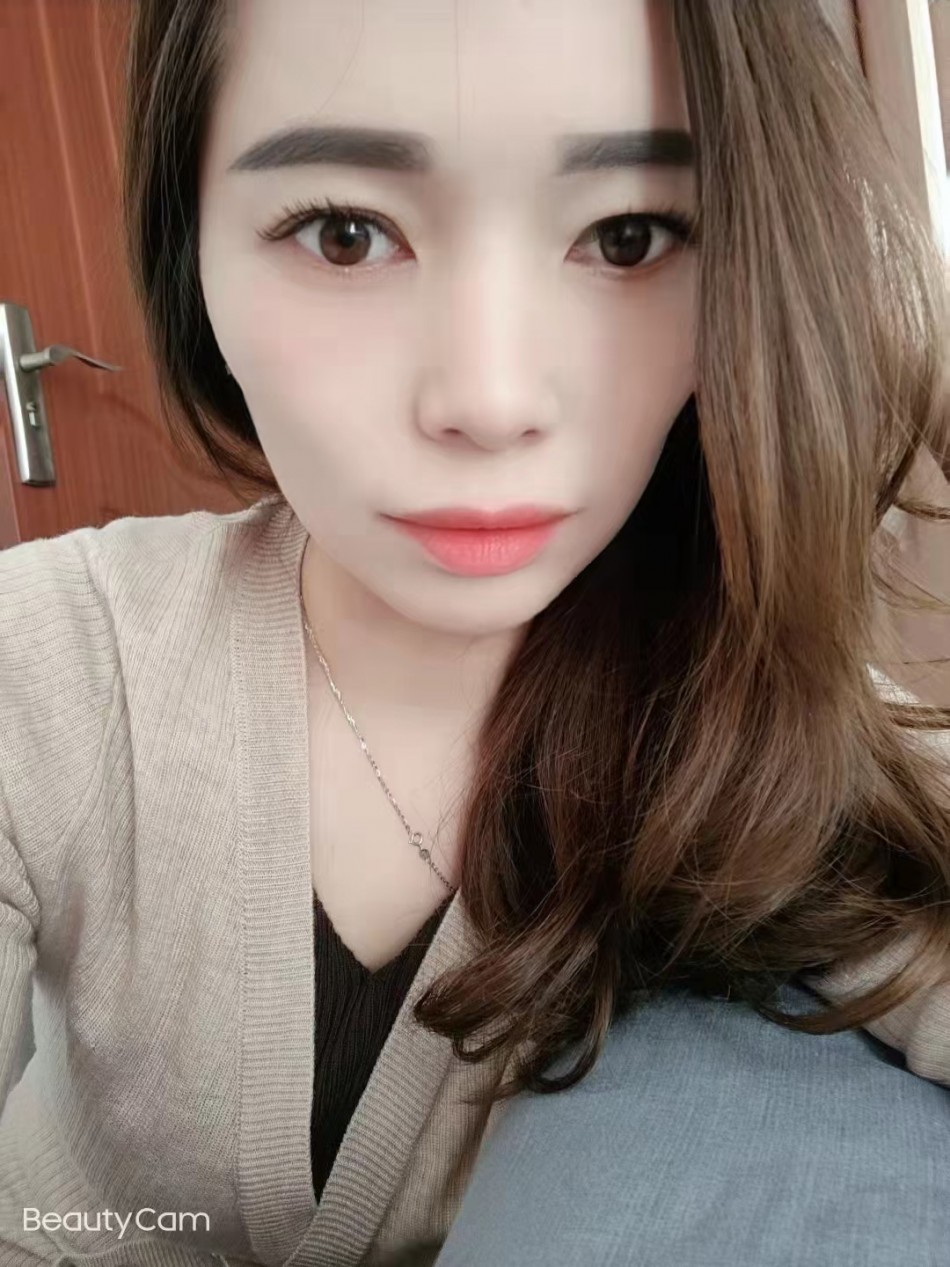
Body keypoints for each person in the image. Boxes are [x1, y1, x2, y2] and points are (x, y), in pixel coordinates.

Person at [0, 1, 948, 1264]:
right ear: (193, 254)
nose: (490, 401)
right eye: (345, 233)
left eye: (627, 234)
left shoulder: (779, 724)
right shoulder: (54, 665)